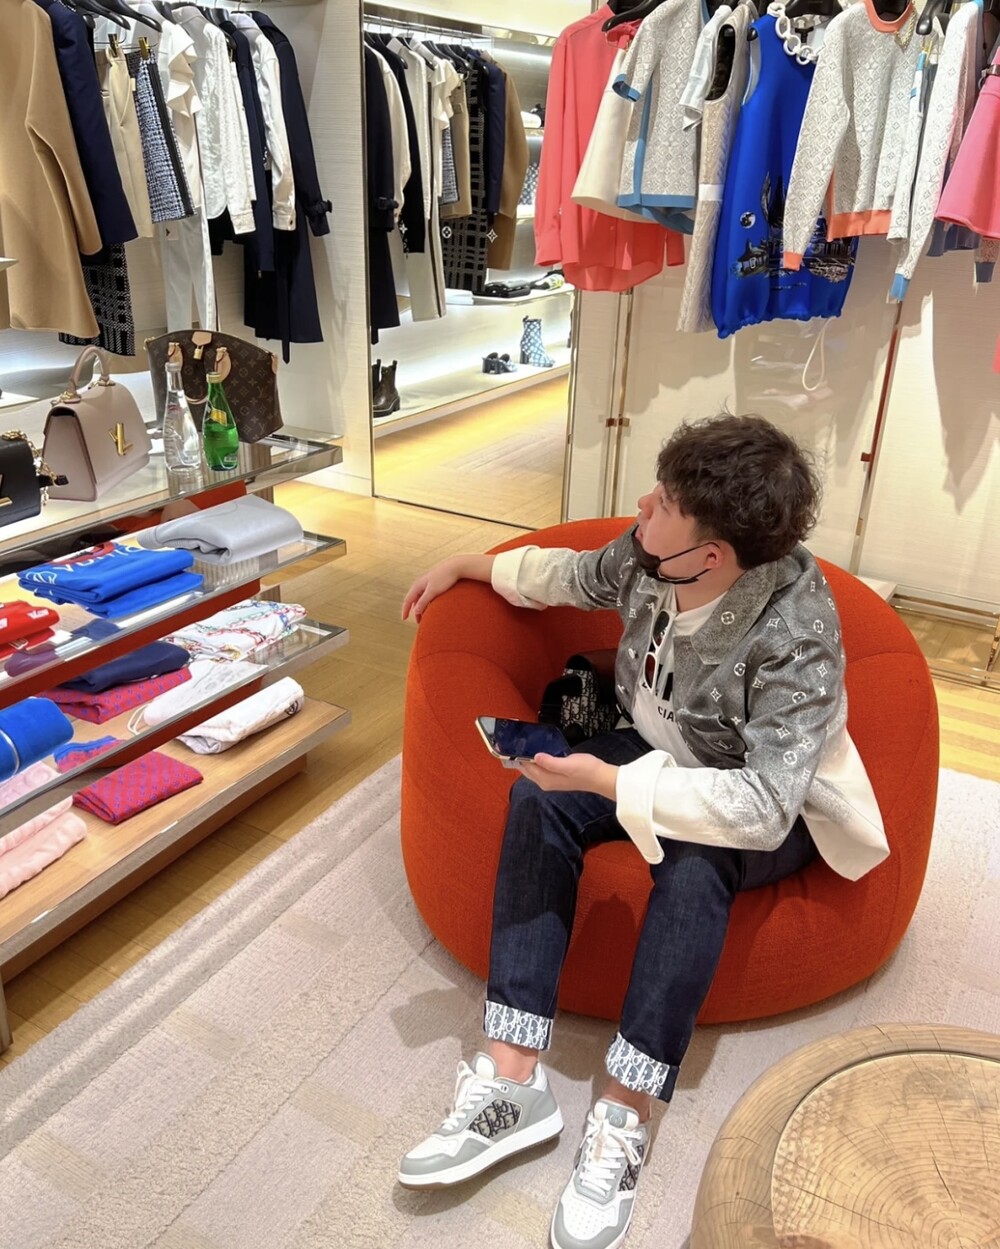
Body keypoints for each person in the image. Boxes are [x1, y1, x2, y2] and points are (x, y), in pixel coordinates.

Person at [398, 413, 888, 1249]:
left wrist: (613, 781)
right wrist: (466, 564)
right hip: (664, 744)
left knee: (695, 861)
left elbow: (765, 805)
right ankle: (513, 1077)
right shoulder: (650, 555)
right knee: (538, 795)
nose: (640, 506)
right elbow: (570, 573)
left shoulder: (796, 633)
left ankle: (626, 1110)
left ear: (711, 555)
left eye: (661, 504)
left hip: (771, 800)